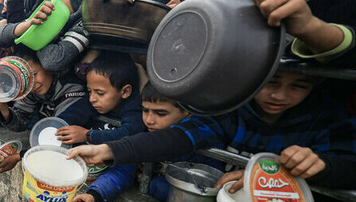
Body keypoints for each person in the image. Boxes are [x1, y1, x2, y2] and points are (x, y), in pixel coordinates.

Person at [67, 70, 356, 190]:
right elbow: (178, 137)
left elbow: (347, 167)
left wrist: (321, 167)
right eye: (271, 82)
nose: (279, 95)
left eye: (298, 86)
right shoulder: (230, 112)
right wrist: (107, 149)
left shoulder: (329, 119)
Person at [72, 83, 201, 202]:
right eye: (145, 110)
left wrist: (151, 184)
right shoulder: (142, 132)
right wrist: (95, 194)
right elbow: (121, 171)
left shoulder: (200, 143)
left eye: (160, 113)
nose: (149, 120)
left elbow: (198, 192)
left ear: (188, 112)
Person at [0, 44, 92, 173]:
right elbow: (20, 124)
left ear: (46, 65)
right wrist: (3, 108)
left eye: (35, 74)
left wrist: (19, 156)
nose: (32, 84)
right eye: (27, 79)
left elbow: (58, 138)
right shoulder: (30, 87)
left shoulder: (70, 86)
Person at [56, 51, 146, 145]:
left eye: (100, 93)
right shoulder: (93, 100)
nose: (92, 98)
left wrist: (87, 135)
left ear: (125, 91)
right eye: (89, 91)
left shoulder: (135, 109)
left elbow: (129, 134)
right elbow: (71, 115)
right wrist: (57, 127)